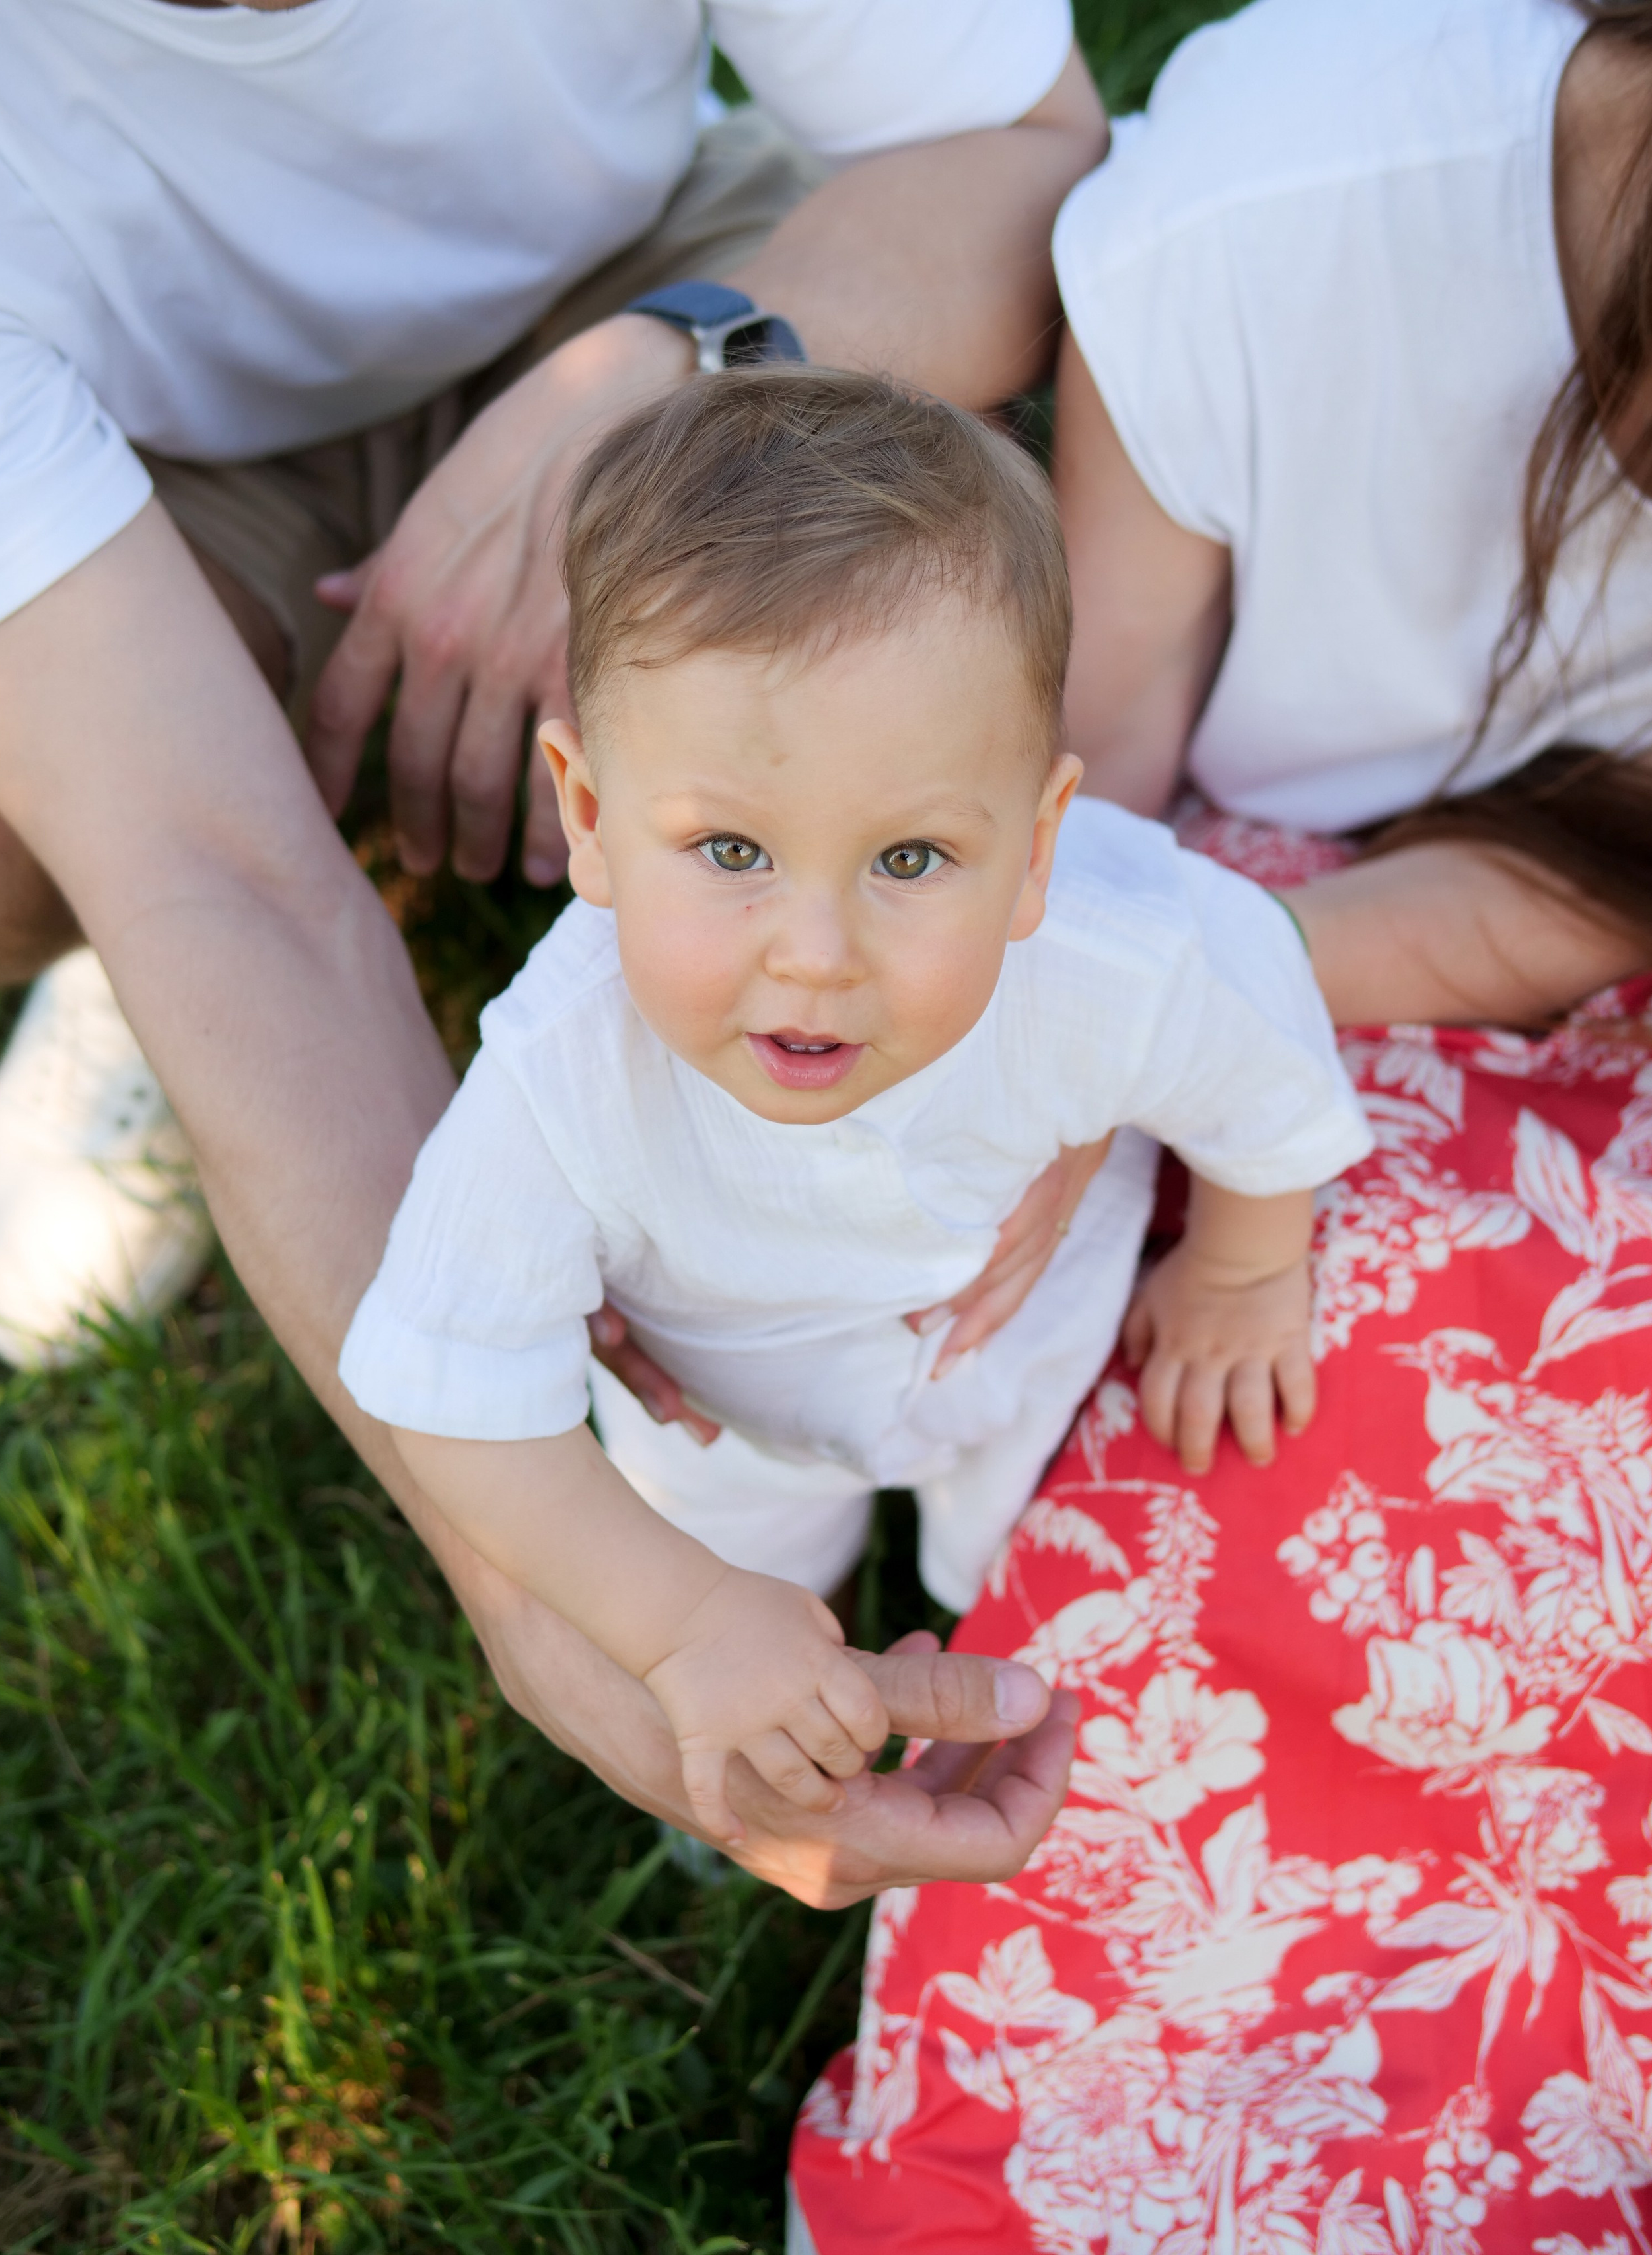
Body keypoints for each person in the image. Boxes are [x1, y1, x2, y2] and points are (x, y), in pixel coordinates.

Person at [0, 0, 1114, 1902]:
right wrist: (573, 1604)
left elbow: (1034, 148)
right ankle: (156, 962)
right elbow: (226, 879)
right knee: (74, 829)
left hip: (642, 269)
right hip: (148, 458)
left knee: (986, 478)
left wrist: (675, 376)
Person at [787, 0, 1652, 2245]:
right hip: (1207, 913)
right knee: (1367, 1423)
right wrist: (1140, 1052)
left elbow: (1598, 879)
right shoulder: (1268, 224)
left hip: (1559, 932)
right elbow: (1077, 824)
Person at [336, 367, 1372, 1847]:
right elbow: (458, 1400)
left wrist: (1243, 1267)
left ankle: (1012, 1641)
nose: (815, 955)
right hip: (726, 1422)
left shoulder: (1117, 956)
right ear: (590, 813)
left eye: (907, 861)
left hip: (1031, 1350)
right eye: (730, 850)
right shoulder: (560, 1080)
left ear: (1037, 845)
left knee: (1043, 1587)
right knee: (739, 1616)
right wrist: (687, 1620)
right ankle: (741, 1763)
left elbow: (1256, 1047)